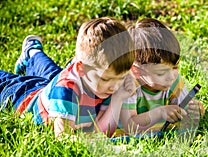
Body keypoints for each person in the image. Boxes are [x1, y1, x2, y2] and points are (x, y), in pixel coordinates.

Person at [0, 17, 135, 138]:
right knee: (8, 82)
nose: (115, 86)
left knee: (52, 74)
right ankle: (32, 52)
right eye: (106, 79)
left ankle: (32, 52)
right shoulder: (65, 91)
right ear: (81, 69)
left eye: (121, 78)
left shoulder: (107, 79)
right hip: (24, 97)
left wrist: (118, 99)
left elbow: (102, 129)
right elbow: (63, 137)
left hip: (55, 86)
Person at [120, 18, 205, 134]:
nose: (171, 76)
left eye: (175, 67)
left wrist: (195, 111)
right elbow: (129, 126)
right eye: (161, 73)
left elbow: (183, 110)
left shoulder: (174, 81)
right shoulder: (127, 86)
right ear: (136, 71)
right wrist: (160, 112)